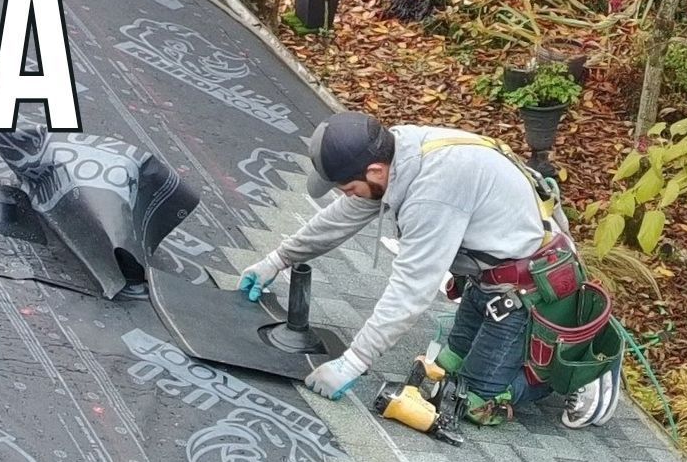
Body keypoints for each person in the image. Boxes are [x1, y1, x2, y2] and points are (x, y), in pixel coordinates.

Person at [238, 111, 621, 428]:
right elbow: (341, 218)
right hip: (488, 281)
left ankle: (580, 370)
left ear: (373, 170)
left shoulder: (433, 191)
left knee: (474, 404)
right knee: (444, 371)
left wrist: (352, 363)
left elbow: (411, 289)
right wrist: (277, 260)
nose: (346, 196)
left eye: (348, 187)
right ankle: (525, 358)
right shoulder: (397, 152)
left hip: (529, 290)